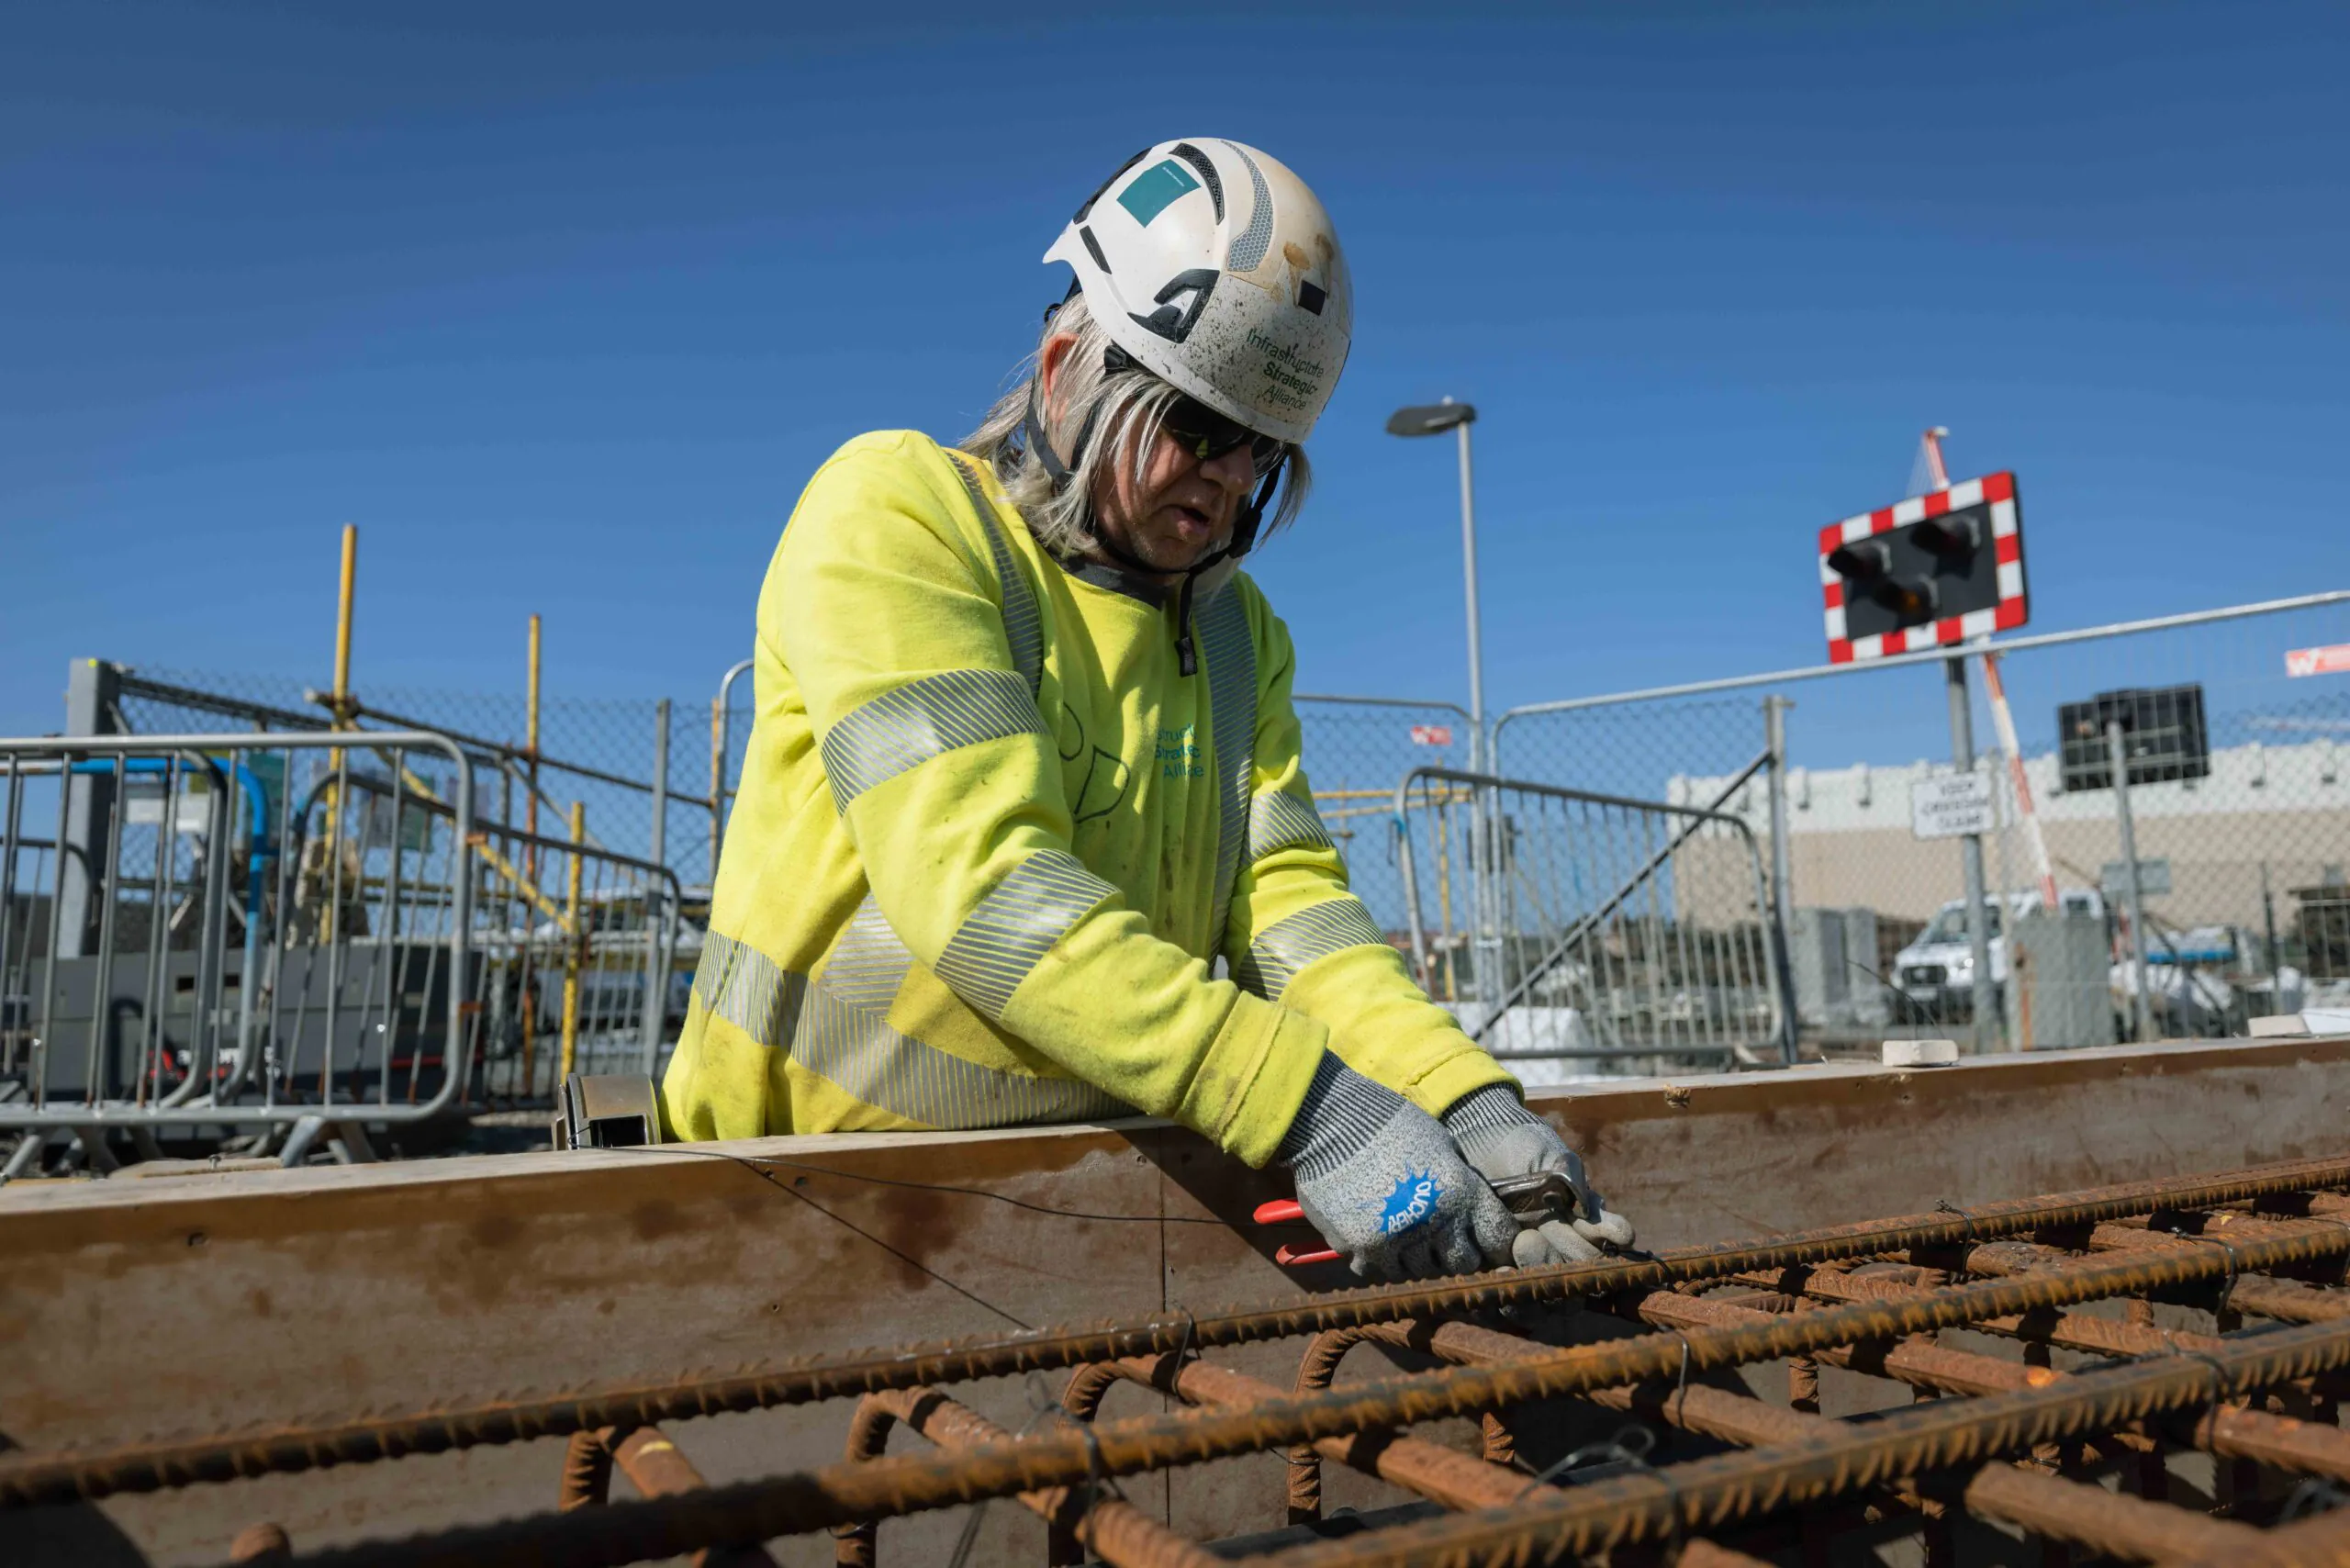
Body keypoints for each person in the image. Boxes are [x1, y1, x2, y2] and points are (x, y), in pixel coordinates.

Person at [661, 137, 1633, 1282]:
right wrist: (1311, 1106)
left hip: (1082, 1203)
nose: (1228, 478)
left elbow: (1293, 918)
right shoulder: (901, 516)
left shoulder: (1236, 635)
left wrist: (1461, 1095)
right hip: (785, 1202)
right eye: (1196, 426)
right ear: (1071, 360)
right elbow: (987, 891)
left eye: (1263, 453)